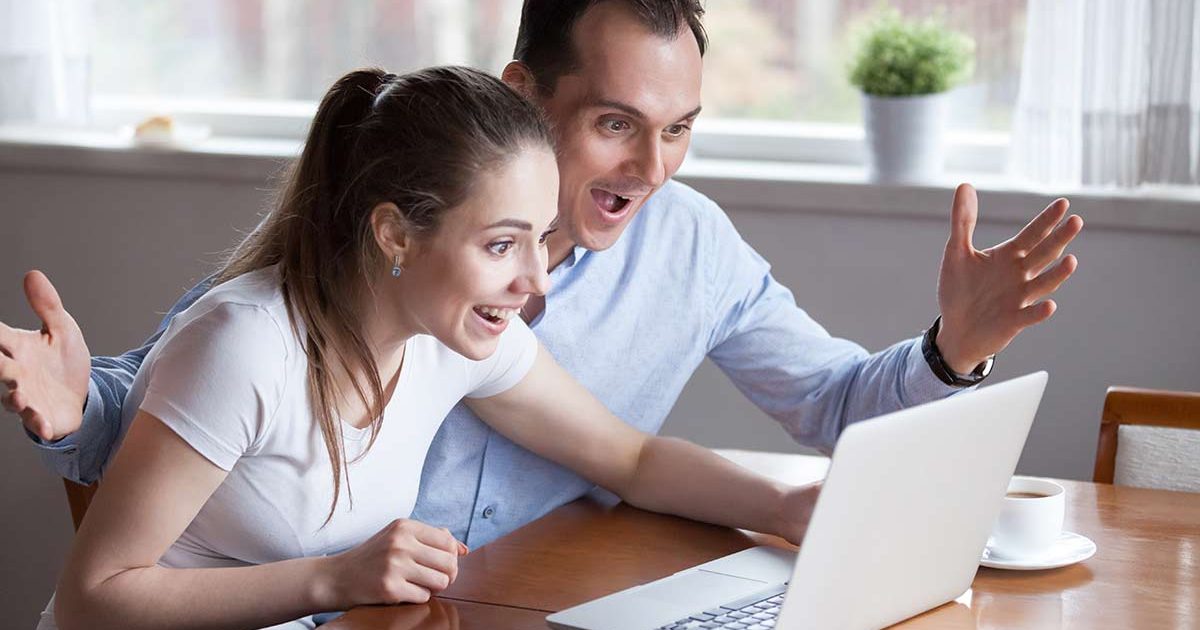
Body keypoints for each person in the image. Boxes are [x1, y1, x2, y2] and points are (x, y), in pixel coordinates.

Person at [3, 0, 1081, 550]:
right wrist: (71, 405)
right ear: (525, 91)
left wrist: (952, 352)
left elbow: (670, 447)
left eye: (681, 130)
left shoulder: (687, 246)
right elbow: (160, 400)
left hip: (534, 598)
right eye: (617, 124)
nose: (652, 169)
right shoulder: (394, 246)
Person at [50, 65, 818, 630]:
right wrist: (329, 581)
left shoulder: (450, 336)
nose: (534, 282)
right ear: (396, 234)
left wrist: (789, 508)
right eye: (500, 244)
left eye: (538, 239)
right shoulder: (245, 347)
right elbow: (98, 594)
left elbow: (631, 459)